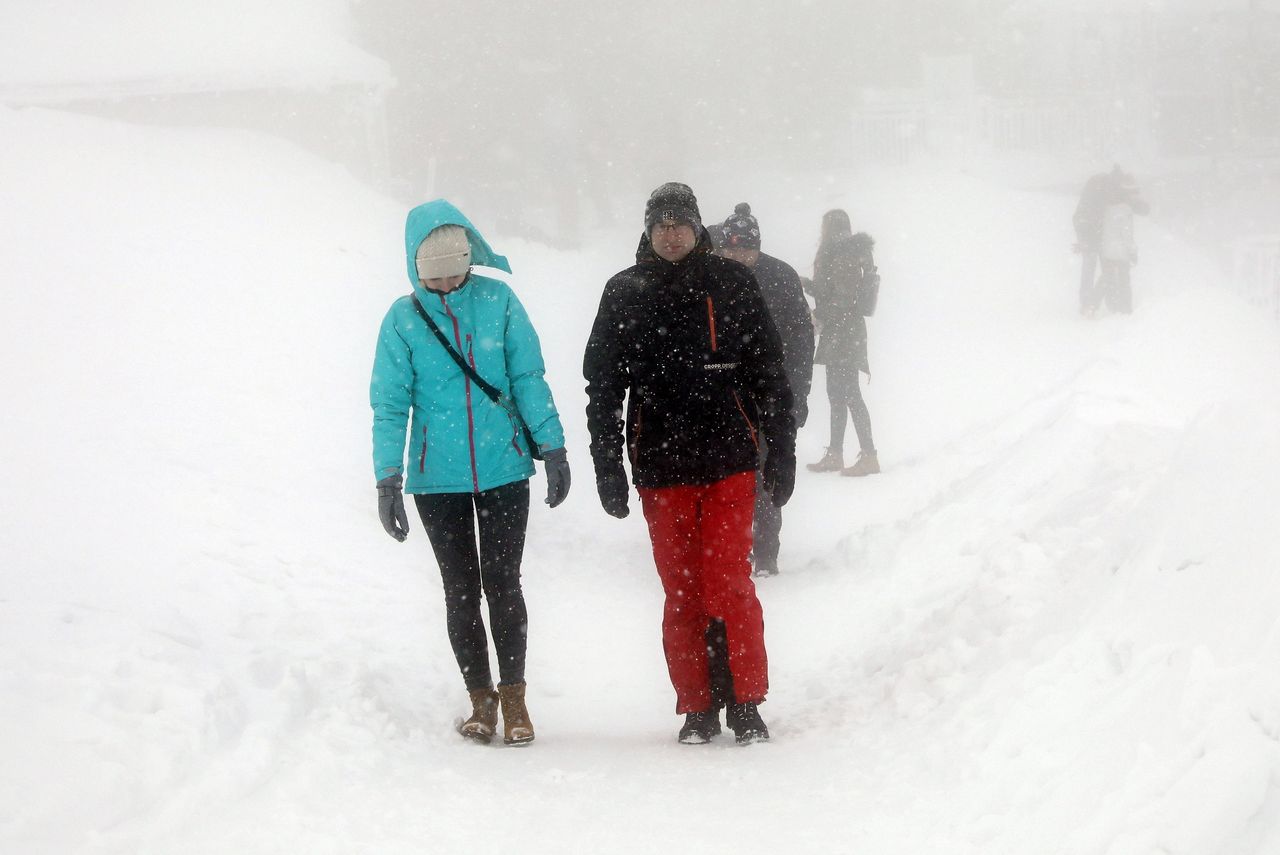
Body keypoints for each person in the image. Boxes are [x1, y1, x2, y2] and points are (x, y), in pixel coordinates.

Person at [583, 182, 795, 745]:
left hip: (729, 457)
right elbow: (603, 386)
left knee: (728, 582)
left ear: (698, 227)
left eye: (680, 222)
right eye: (661, 224)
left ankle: (746, 702)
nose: (671, 232)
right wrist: (606, 463)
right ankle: (697, 706)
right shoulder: (624, 291)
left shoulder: (732, 282)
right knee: (682, 591)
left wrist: (782, 448)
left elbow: (768, 369)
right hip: (660, 464)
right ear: (648, 231)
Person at [370, 199, 571, 747]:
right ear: (416, 270)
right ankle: (480, 700)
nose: (447, 284)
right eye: (434, 277)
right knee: (460, 590)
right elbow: (390, 405)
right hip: (437, 482)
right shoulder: (402, 319)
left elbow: (527, 375)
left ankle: (515, 700)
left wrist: (552, 446)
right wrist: (388, 477)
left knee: (503, 584)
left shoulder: (499, 300)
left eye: (455, 271)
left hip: (504, 469)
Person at [713, 203, 814, 577]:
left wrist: (798, 394)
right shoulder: (712, 276)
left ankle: (766, 552)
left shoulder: (781, 277)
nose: (738, 255)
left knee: (769, 472)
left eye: (746, 248)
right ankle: (732, 548)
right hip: (723, 396)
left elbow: (802, 342)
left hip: (773, 393)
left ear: (757, 247)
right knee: (729, 476)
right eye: (731, 248)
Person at [805, 209, 880, 477]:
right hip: (842, 332)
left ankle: (869, 456)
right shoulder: (839, 252)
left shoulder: (844, 253)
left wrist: (817, 316)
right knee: (837, 394)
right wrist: (803, 284)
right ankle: (835, 454)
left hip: (844, 332)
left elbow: (843, 299)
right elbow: (831, 292)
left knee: (849, 395)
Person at [1073, 165, 1149, 317]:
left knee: (1105, 272)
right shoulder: (1107, 194)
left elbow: (1126, 204)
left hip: (1101, 238)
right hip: (1095, 235)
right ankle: (1103, 305)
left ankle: (1095, 304)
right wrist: (1086, 241)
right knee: (1102, 270)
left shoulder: (1110, 196)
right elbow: (1125, 231)